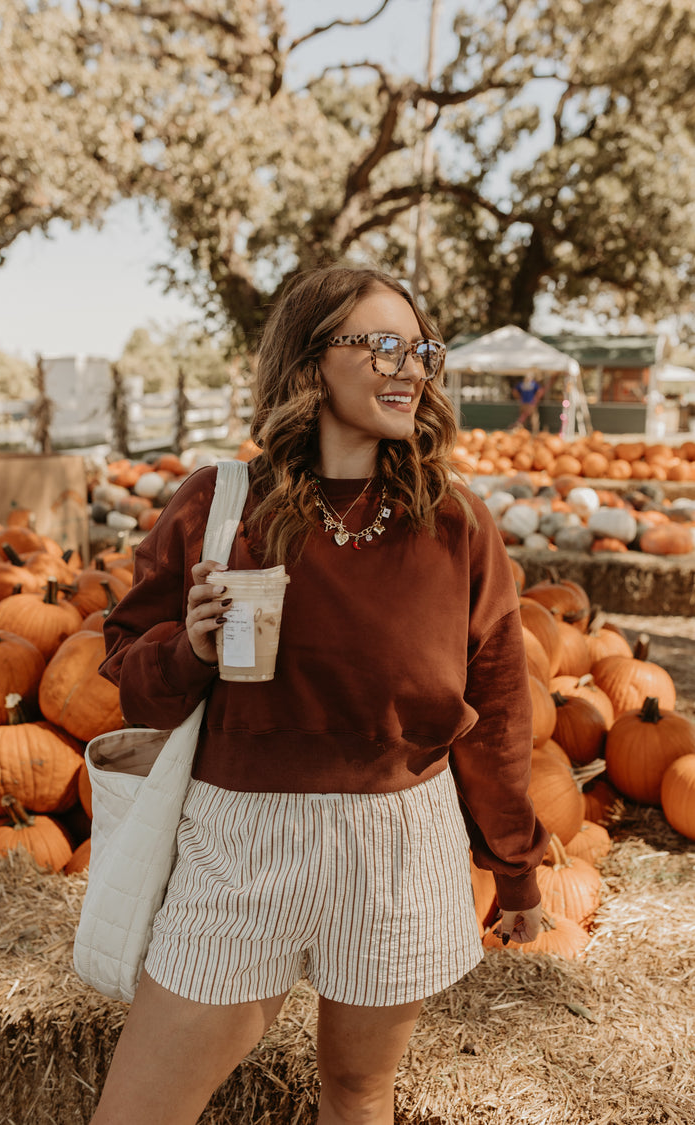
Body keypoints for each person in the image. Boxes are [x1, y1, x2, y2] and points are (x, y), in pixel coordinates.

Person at [90, 265, 548, 1125]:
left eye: (420, 350)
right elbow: (130, 682)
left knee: (359, 1091)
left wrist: (515, 868)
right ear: (309, 360)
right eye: (380, 345)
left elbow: (498, 710)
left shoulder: (456, 522)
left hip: (398, 844)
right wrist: (188, 649)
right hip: (242, 841)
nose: (409, 368)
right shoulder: (220, 504)